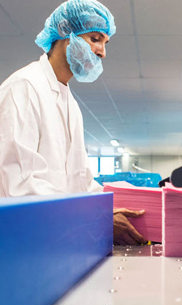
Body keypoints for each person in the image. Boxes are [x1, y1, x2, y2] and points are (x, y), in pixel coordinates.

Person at [0, 0, 145, 245]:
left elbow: (80, 181)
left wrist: (109, 209)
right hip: (25, 243)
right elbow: (19, 186)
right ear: (67, 34)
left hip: (61, 240)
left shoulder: (69, 103)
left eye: (105, 43)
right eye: (95, 38)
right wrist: (95, 220)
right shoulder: (24, 87)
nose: (102, 52)